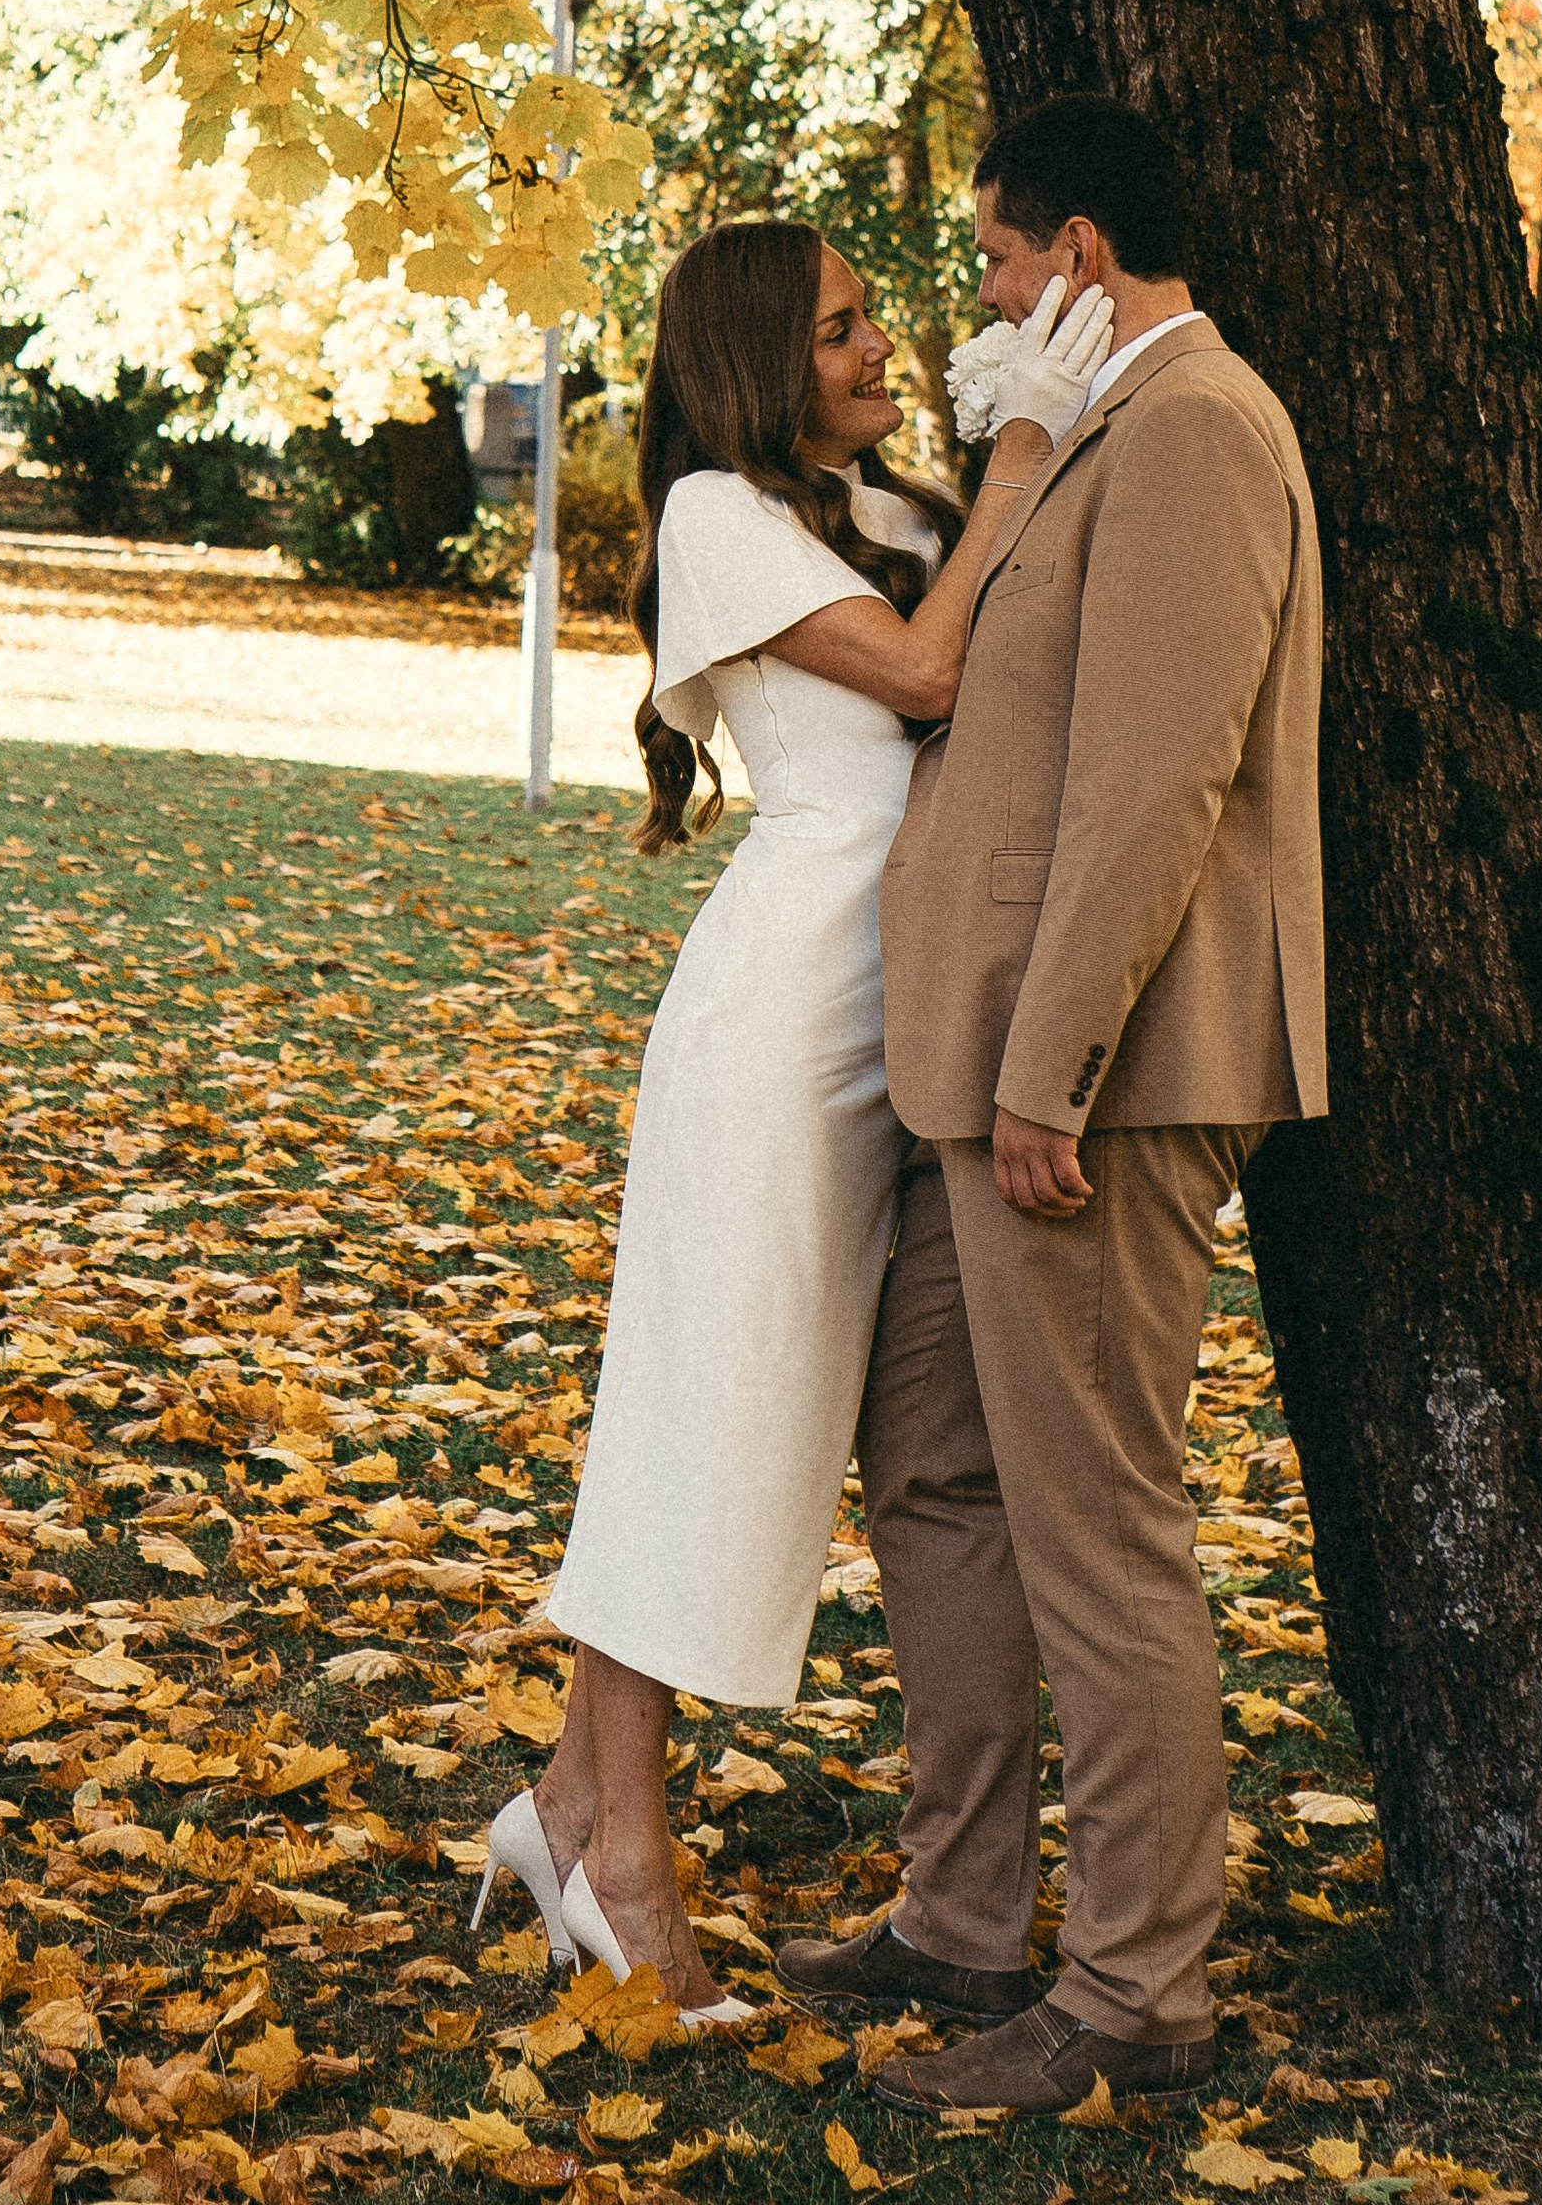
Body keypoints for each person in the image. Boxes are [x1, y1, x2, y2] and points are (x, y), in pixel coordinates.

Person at [467, 215, 1115, 2016]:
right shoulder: (714, 517)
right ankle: (622, 1851)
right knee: (715, 1424)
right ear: (762, 356)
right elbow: (926, 679)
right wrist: (1026, 449)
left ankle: (578, 1805)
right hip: (773, 1031)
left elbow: (1007, 627)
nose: (879, 348)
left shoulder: (884, 513)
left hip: (888, 1029)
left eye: (876, 322)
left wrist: (1007, 463)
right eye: (839, 331)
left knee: (734, 1428)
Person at [775, 95, 1326, 2118]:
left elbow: (1152, 787)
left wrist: (1048, 1072)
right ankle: (960, 1909)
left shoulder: (1191, 427)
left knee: (1097, 1530)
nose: (978, 306)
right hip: (977, 1064)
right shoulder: (1100, 427)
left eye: (996, 269)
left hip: (1085, 1080)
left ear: (1076, 255)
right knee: (929, 1472)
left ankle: (1132, 1993)